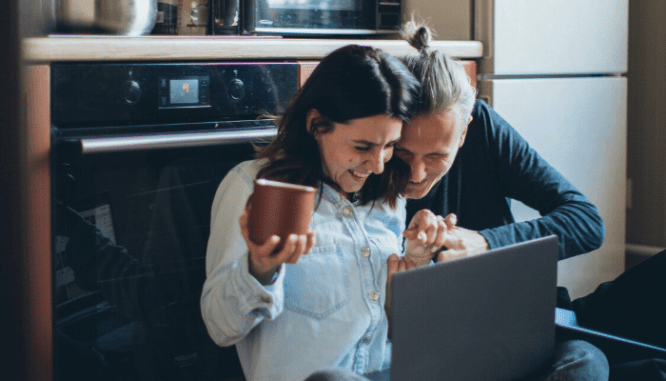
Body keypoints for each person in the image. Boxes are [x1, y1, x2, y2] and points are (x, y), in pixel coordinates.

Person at [389, 21, 610, 381]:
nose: (415, 174)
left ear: (463, 133)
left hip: (517, 322)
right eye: (402, 153)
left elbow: (586, 221)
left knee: (584, 364)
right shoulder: (368, 154)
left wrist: (487, 243)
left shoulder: (485, 130)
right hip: (432, 338)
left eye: (436, 156)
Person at [200, 44, 432, 381]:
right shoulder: (256, 187)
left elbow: (381, 332)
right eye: (362, 147)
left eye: (390, 146)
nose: (378, 165)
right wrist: (259, 268)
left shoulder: (387, 200)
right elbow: (220, 329)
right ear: (316, 125)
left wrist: (409, 283)